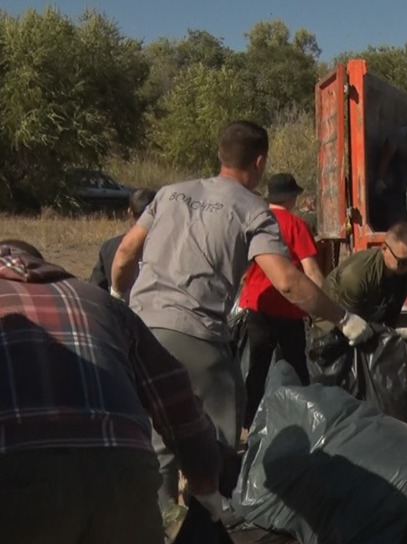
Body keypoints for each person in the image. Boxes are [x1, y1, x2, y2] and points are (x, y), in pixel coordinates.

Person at [0, 240, 225, 544]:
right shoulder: (98, 301)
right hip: (122, 479)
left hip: (18, 480)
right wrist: (204, 482)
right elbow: (175, 395)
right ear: (44, 263)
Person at [110, 120, 369, 506]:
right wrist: (344, 319)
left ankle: (162, 534)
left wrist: (118, 295)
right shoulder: (253, 209)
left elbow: (127, 251)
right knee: (222, 417)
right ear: (260, 161)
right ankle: (215, 519)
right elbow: (287, 281)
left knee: (159, 433)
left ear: (220, 155)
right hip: (195, 331)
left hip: (140, 329)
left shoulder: (169, 195)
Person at [238, 173, 326, 428]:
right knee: (295, 364)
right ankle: (300, 415)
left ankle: (250, 419)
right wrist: (325, 305)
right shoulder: (296, 225)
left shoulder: (255, 222)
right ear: (290, 198)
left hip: (257, 305)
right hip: (288, 307)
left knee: (258, 364)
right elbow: (311, 270)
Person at [321, 221, 407, 355]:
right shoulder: (356, 275)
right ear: (384, 249)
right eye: (403, 262)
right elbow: (350, 326)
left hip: (372, 325)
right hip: (334, 327)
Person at [89, 188, 157, 294]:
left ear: (129, 212)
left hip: (120, 308)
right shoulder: (170, 248)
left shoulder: (109, 248)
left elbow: (95, 292)